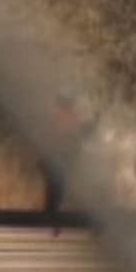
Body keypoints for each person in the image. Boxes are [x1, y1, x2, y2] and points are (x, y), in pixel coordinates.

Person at [41, 89, 97, 221]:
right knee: (57, 189)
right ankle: (51, 214)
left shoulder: (61, 116)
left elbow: (77, 135)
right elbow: (76, 134)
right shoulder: (65, 116)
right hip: (61, 158)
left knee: (56, 189)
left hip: (60, 157)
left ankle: (50, 213)